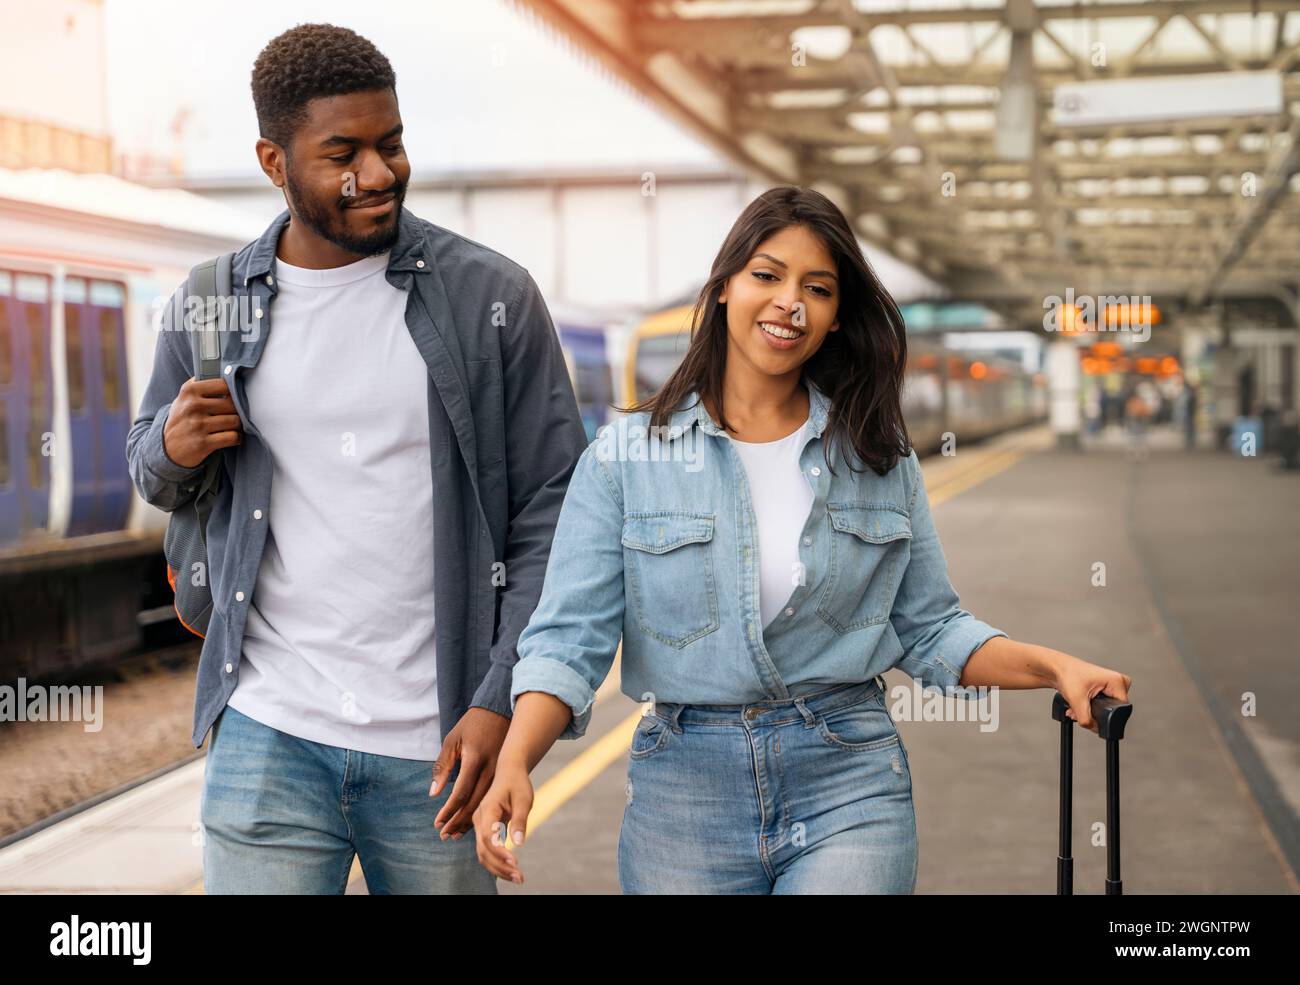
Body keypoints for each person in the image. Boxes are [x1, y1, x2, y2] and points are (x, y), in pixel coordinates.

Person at [474, 186, 1132, 894]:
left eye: (816, 288)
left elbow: (931, 628)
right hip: (684, 799)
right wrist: (517, 759)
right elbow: (569, 639)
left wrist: (1053, 666)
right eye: (767, 275)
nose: (790, 302)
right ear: (725, 287)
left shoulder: (877, 455)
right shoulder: (625, 457)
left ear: (835, 317)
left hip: (847, 778)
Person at [125, 24, 587, 894]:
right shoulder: (213, 300)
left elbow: (555, 516)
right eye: (345, 152)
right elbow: (151, 466)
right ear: (274, 160)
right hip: (268, 734)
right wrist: (173, 445)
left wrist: (500, 698)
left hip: (437, 748)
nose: (378, 173)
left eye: (392, 143)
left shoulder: (491, 297)